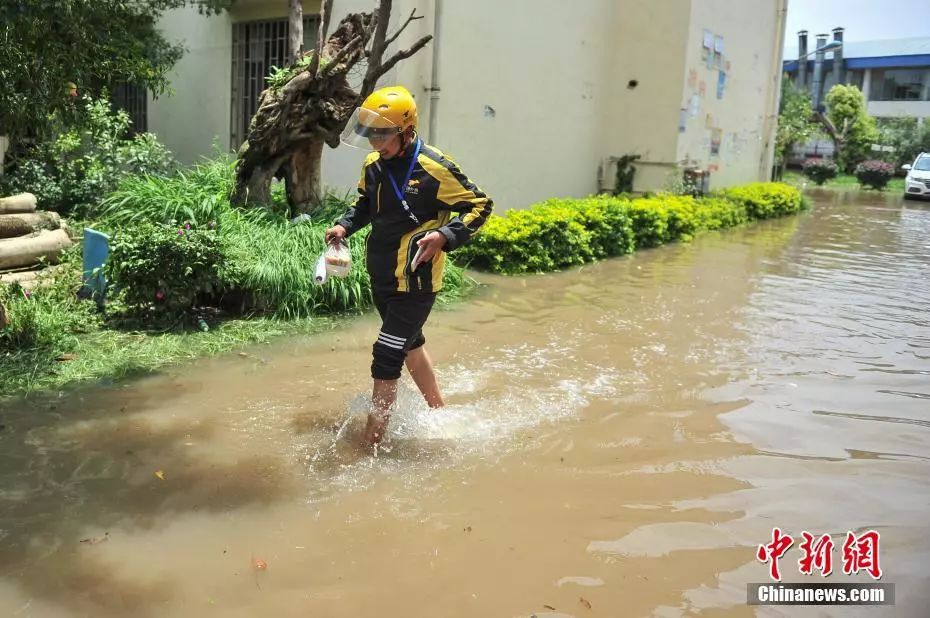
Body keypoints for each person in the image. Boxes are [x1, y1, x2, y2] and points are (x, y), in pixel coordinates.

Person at [325, 85, 493, 447]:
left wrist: (445, 236)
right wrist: (344, 225)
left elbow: (480, 205)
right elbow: (364, 206)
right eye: (371, 132)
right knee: (410, 345)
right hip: (381, 275)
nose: (375, 142)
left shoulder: (435, 167)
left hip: (415, 282)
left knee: (386, 353)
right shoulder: (372, 165)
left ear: (406, 130)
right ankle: (440, 414)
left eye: (383, 133)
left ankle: (371, 443)